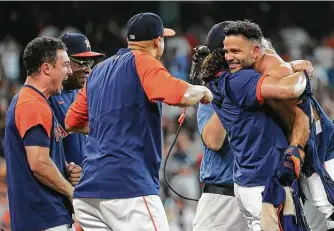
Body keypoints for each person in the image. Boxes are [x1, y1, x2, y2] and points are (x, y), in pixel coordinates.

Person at [64, 12, 213, 231]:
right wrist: (204, 91)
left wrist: (107, 130)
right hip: (127, 188)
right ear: (157, 41)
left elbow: (71, 121)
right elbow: (181, 96)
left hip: (89, 196)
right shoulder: (144, 61)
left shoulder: (99, 70)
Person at [223, 20, 334, 230]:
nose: (228, 57)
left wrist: (298, 73)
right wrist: (295, 66)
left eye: (236, 50)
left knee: (328, 206)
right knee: (315, 220)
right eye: (226, 51)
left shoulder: (273, 67)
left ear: (256, 51)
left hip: (319, 145)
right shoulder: (256, 70)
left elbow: (291, 91)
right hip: (306, 148)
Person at [4, 36, 82, 231]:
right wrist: (70, 191)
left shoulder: (36, 101)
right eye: (65, 65)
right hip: (43, 218)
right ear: (46, 68)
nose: (70, 71)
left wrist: (65, 169)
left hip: (44, 217)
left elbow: (43, 158)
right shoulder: (32, 104)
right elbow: (38, 162)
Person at [192, 21, 248, 231]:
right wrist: (231, 90)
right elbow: (214, 141)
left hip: (260, 195)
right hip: (222, 198)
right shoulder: (212, 94)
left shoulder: (257, 85)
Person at [49, 32, 104, 165]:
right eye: (81, 62)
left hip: (82, 178)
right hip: (58, 180)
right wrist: (68, 169)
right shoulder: (48, 95)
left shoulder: (82, 94)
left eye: (89, 63)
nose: (88, 70)